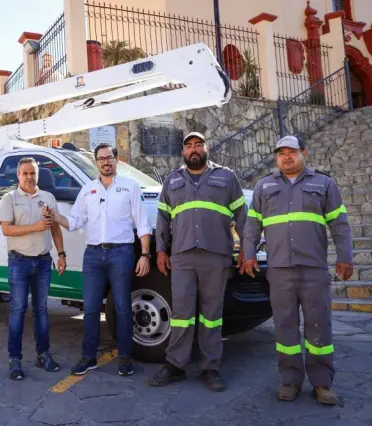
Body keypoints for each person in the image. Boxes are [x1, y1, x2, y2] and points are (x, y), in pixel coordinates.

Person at [241, 135, 353, 405]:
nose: (286, 157)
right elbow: (252, 224)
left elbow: (339, 222)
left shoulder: (323, 184)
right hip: (279, 269)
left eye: (292, 151)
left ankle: (322, 382)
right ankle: (290, 380)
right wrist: (248, 254)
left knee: (319, 327)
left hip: (313, 267)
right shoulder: (264, 186)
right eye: (281, 153)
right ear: (276, 157)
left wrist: (345, 256)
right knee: (285, 327)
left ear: (304, 152)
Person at [146, 132, 247, 392]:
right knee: (181, 313)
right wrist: (160, 250)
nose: (194, 149)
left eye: (198, 145)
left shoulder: (226, 177)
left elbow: (242, 214)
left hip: (216, 255)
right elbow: (162, 219)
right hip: (182, 255)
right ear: (183, 152)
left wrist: (247, 248)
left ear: (206, 148)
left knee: (212, 315)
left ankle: (210, 367)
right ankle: (175, 365)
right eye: (189, 145)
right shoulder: (172, 180)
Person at [43, 143, 151, 377]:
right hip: (93, 256)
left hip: (121, 253)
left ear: (116, 160)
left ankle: (124, 357)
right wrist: (55, 216)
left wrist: (144, 254)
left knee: (122, 307)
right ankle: (88, 357)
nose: (105, 162)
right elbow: (74, 222)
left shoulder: (130, 187)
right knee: (90, 309)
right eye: (101, 159)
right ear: (96, 162)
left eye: (109, 158)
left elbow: (143, 223)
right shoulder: (88, 190)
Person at [0, 157, 66, 380]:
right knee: (18, 311)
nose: (29, 177)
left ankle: (43, 354)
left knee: (42, 311)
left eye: (33, 173)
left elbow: (55, 227)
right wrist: (35, 227)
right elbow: (7, 230)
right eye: (25, 173)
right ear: (18, 175)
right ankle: (14, 360)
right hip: (19, 262)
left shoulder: (47, 198)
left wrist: (61, 253)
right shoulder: (10, 198)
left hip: (43, 261)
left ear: (38, 175)